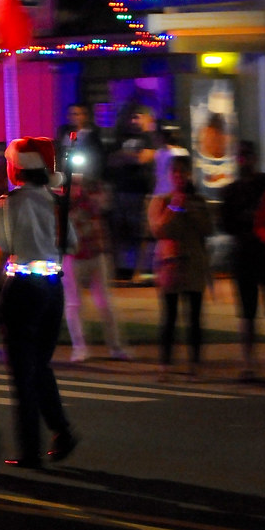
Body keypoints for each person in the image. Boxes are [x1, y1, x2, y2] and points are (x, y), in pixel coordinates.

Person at [0, 137, 79, 470]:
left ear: (16, 168)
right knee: (39, 365)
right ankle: (60, 431)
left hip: (23, 287)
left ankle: (30, 448)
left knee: (22, 374)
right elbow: (70, 243)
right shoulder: (56, 202)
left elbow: (4, 246)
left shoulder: (8, 203)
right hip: (53, 287)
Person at [147, 155, 213, 381]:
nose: (179, 177)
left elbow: (207, 228)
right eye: (174, 173)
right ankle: (165, 365)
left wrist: (191, 211)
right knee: (170, 316)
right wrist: (175, 206)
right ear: (169, 175)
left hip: (194, 264)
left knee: (194, 316)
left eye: (182, 172)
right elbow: (159, 230)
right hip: (171, 265)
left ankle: (194, 364)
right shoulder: (162, 202)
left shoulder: (199, 202)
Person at [62, 174, 131, 362]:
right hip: (73, 257)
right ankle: (80, 348)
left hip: (95, 254)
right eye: (73, 184)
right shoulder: (63, 205)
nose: (76, 188)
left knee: (105, 304)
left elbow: (104, 205)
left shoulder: (90, 200)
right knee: (74, 304)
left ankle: (116, 347)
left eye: (78, 184)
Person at [220, 141, 265, 381]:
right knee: (247, 313)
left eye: (247, 156)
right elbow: (226, 224)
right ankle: (249, 364)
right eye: (240, 156)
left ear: (254, 158)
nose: (244, 160)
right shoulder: (231, 190)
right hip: (244, 255)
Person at [107, 104, 157, 280]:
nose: (134, 120)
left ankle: (138, 272)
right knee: (119, 232)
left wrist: (125, 156)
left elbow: (144, 158)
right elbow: (112, 160)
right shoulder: (121, 137)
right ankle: (120, 271)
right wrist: (131, 157)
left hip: (141, 192)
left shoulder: (151, 138)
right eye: (132, 117)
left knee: (140, 234)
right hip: (121, 191)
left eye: (138, 117)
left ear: (148, 119)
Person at [57, 103, 106, 180]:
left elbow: (97, 157)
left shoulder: (92, 136)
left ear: (84, 116)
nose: (72, 117)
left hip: (84, 174)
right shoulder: (63, 133)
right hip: (64, 173)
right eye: (70, 114)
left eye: (76, 114)